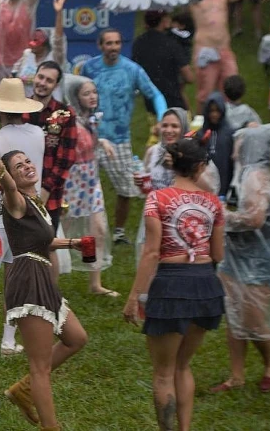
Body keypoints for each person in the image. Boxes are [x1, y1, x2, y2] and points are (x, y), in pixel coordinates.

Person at [0, 140, 88, 430]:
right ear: (9, 176)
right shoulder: (16, 201)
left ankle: (22, 390)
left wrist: (73, 243)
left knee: (76, 338)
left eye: (27, 161)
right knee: (40, 368)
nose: (27, 166)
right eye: (18, 166)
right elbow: (10, 188)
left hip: (41, 275)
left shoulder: (36, 205)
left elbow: (42, 240)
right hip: (29, 281)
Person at [123, 138, 225, 431]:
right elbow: (218, 254)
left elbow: (152, 252)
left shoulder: (158, 198)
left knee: (164, 373)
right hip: (206, 286)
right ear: (199, 167)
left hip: (170, 286)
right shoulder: (214, 202)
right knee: (183, 366)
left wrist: (134, 298)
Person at [212, 125, 270, 394]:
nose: (233, 150)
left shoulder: (256, 176)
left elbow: (255, 219)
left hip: (259, 257)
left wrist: (222, 216)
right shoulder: (245, 173)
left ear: (251, 145)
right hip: (237, 252)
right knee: (234, 314)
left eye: (239, 144)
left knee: (253, 318)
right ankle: (236, 375)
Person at [0, 77, 46, 355]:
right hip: (30, 212)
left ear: (0, 110)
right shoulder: (40, 134)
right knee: (15, 275)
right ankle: (8, 338)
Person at [80, 29, 167, 245]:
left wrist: (163, 117)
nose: (114, 47)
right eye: (109, 43)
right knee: (82, 187)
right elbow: (74, 96)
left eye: (117, 42)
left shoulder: (132, 69)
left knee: (125, 188)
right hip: (89, 138)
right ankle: (83, 232)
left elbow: (155, 94)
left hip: (119, 139)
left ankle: (118, 232)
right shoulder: (88, 68)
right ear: (100, 46)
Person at [189, 0, 270, 109]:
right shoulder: (193, 1)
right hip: (206, 50)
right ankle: (200, 126)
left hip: (224, 50)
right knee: (205, 94)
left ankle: (230, 121)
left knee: (232, 87)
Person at [62, 75, 116, 295]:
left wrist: (101, 142)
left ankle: (95, 282)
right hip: (72, 181)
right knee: (61, 230)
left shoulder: (92, 118)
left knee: (99, 229)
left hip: (91, 180)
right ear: (76, 97)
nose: (92, 97)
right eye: (86, 93)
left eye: (94, 92)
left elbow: (90, 141)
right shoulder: (69, 120)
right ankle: (49, 274)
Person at [21, 60, 76, 230]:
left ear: (56, 85)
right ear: (34, 77)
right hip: (18, 191)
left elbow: (66, 159)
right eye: (40, 77)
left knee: (46, 246)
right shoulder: (19, 109)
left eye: (49, 80)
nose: (42, 83)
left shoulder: (64, 114)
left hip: (50, 196)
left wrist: (45, 191)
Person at [132, 11, 193, 111]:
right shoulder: (172, 44)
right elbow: (189, 77)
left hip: (151, 104)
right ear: (163, 21)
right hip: (174, 102)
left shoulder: (138, 43)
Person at [197, 92, 235, 196]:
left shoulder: (229, 133)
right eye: (211, 111)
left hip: (225, 181)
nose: (214, 114)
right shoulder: (200, 134)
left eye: (217, 111)